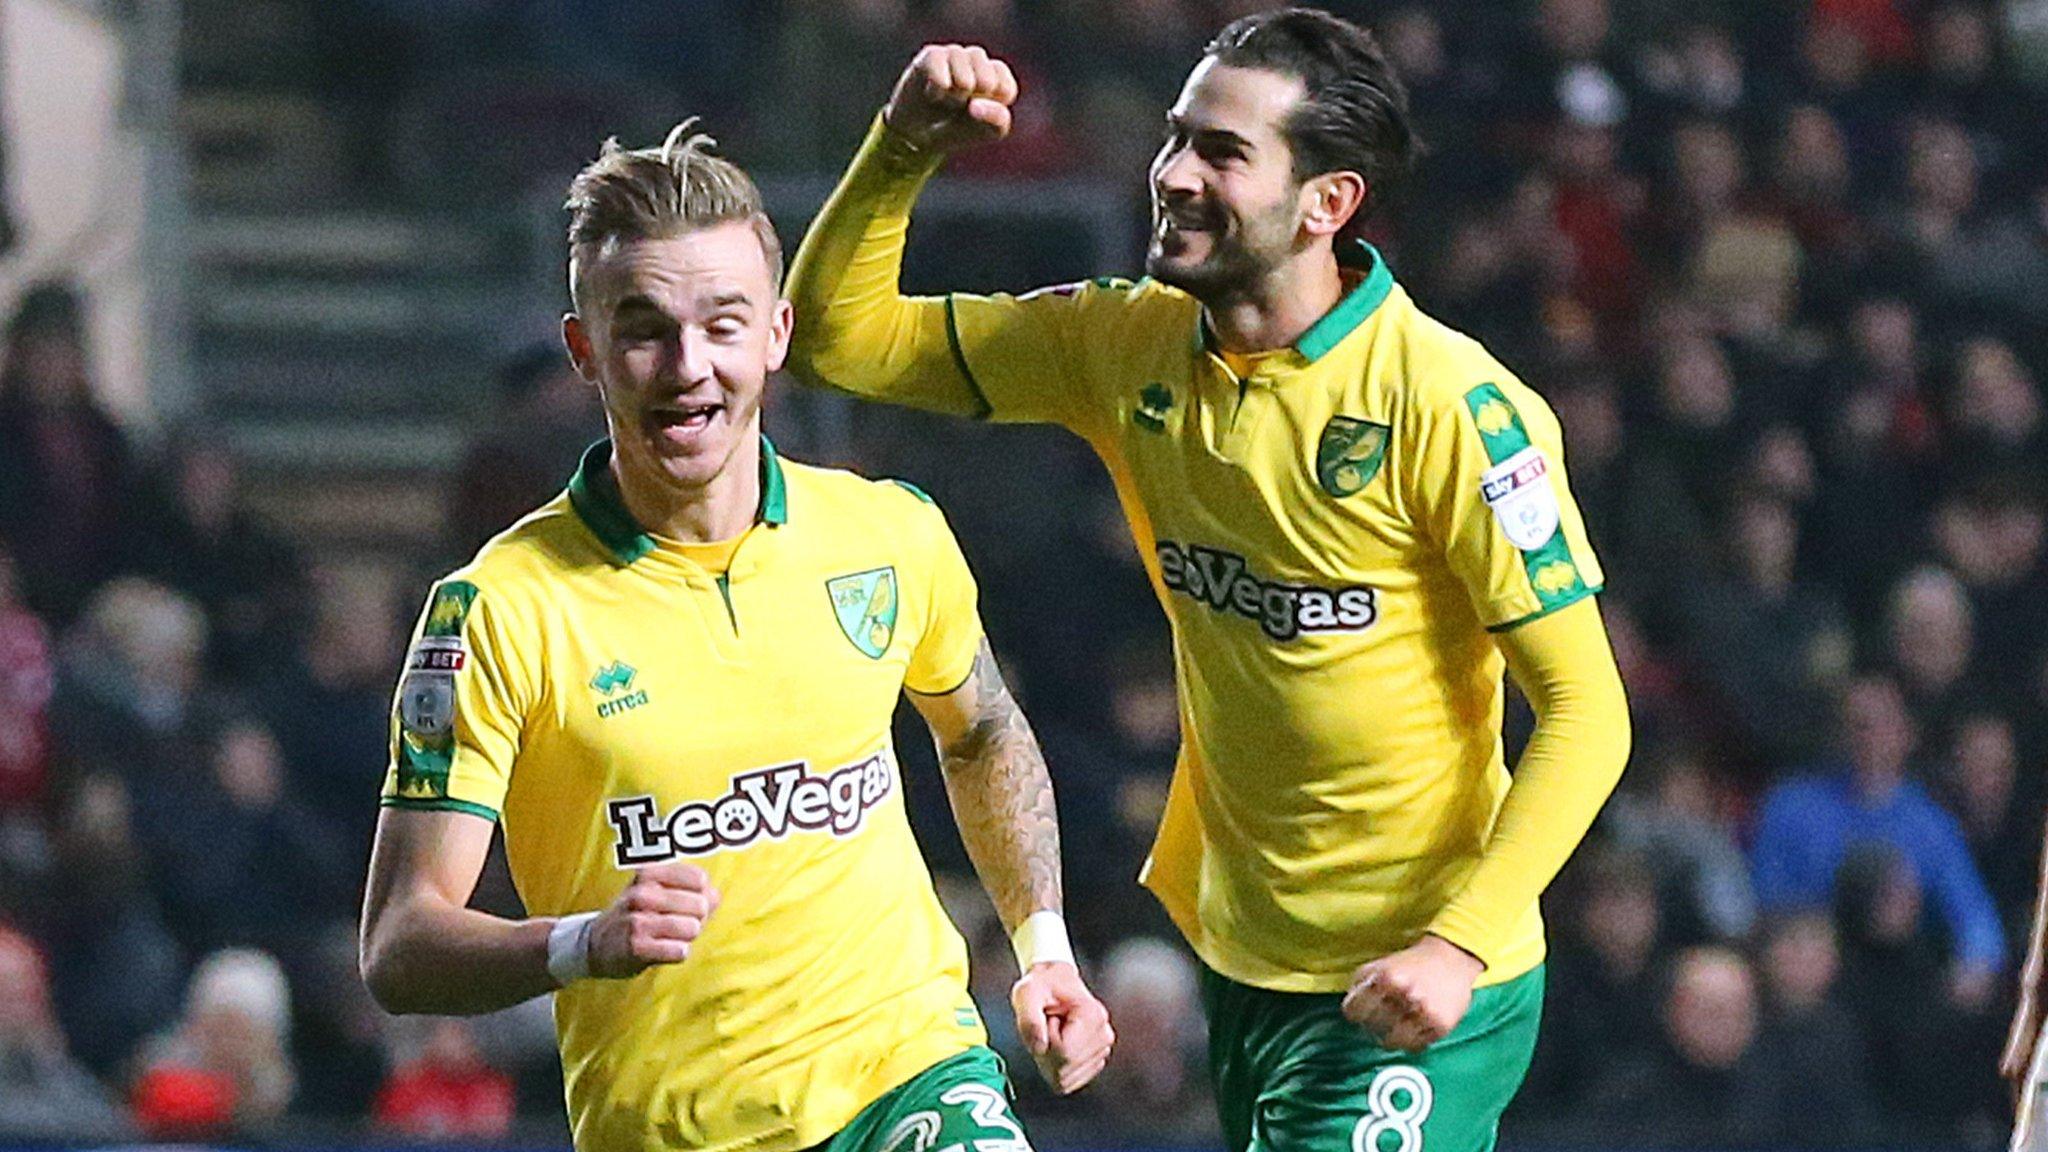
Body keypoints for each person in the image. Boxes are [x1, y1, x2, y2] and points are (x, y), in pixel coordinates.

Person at [784, 9, 1632, 1151]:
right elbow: (842, 340)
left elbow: (1588, 713)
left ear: (1326, 202)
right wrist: (900, 150)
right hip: (1242, 955)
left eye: (1221, 153)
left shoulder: (1449, 408)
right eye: (1176, 136)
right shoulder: (1126, 345)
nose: (1173, 174)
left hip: (1418, 979)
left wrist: (1458, 943)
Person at [357, 123, 1112, 1152]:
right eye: (643, 329)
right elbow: (401, 946)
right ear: (584, 350)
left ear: (776, 335)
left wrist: (1043, 947)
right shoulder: (497, 610)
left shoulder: (885, 532)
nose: (687, 368)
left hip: (908, 1074)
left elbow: (978, 730)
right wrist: (584, 942)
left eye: (721, 325)